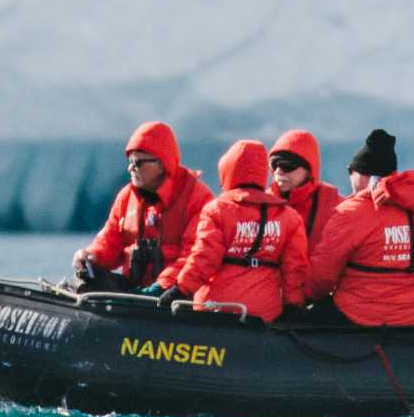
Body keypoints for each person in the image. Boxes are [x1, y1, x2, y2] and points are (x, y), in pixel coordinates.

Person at [304, 141, 414, 326]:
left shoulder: (352, 213)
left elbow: (322, 276)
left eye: (351, 171)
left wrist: (301, 298)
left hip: (362, 316)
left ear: (364, 176)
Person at [174, 139, 310, 323]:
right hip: (264, 312)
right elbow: (295, 269)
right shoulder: (289, 216)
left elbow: (205, 257)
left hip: (215, 308)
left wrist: (181, 289)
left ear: (227, 169)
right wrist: (293, 305)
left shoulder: (217, 209)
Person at [72, 122, 216, 292]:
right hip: (135, 291)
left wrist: (161, 287)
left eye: (138, 162)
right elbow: (109, 241)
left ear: (161, 165)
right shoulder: (126, 197)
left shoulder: (197, 198)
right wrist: (90, 256)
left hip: (175, 294)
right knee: (88, 278)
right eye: (130, 161)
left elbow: (194, 256)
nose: (130, 168)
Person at [270, 130, 345, 256]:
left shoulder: (337, 207)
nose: (278, 171)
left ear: (309, 170)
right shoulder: (262, 205)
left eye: (286, 166)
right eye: (274, 164)